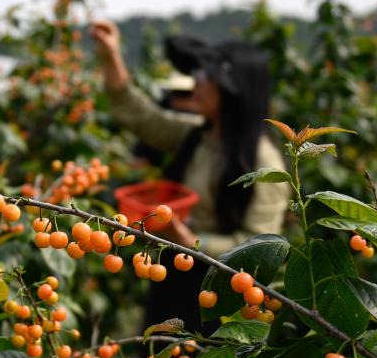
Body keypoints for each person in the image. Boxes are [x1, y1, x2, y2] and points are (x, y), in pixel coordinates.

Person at [90, 20, 289, 330]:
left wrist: (192, 240)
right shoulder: (198, 135)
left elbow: (259, 247)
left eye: (205, 76)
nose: (197, 83)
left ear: (232, 91)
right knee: (159, 349)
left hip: (218, 292)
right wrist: (111, 55)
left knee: (201, 357)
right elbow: (140, 115)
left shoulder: (264, 162)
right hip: (174, 271)